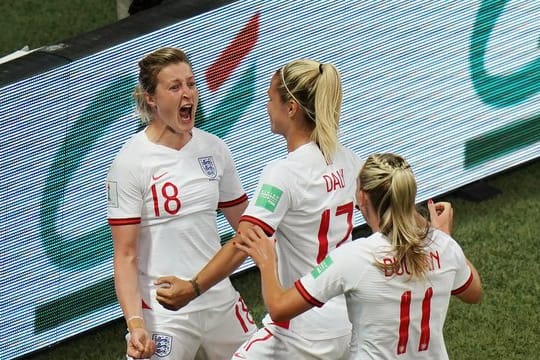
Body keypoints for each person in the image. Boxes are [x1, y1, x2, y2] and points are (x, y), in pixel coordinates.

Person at [155, 59, 362, 359]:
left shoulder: (284, 173)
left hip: (301, 324)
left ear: (290, 108)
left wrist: (193, 287)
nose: (266, 106)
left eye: (269, 98)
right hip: (347, 320)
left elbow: (244, 242)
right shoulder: (349, 160)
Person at [235, 153, 483, 360]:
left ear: (362, 197)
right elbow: (473, 292)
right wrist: (442, 237)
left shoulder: (354, 258)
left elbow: (279, 309)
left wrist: (268, 263)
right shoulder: (443, 246)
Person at [106, 47, 256, 360]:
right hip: (164, 313)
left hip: (219, 301)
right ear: (151, 99)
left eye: (190, 84)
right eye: (174, 87)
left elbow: (249, 228)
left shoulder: (214, 148)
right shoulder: (130, 163)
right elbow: (125, 255)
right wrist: (135, 323)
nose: (187, 94)